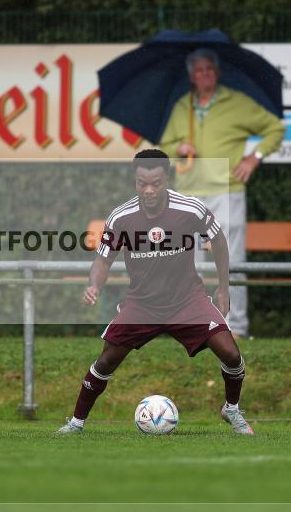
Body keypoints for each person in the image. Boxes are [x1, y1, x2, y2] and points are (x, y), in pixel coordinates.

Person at [56, 149, 253, 435]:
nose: (148, 190)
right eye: (141, 183)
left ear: (167, 179)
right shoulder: (121, 217)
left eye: (155, 183)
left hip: (187, 300)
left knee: (231, 354)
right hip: (142, 304)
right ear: (135, 182)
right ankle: (76, 423)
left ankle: (232, 410)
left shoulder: (190, 209)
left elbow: (219, 241)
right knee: (106, 360)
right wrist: (94, 284)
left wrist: (223, 288)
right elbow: (103, 259)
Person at [159, 49, 285, 339]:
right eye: (199, 70)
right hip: (189, 194)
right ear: (191, 76)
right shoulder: (182, 107)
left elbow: (275, 129)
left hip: (227, 192)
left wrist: (255, 157)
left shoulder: (237, 102)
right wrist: (177, 148)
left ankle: (236, 327)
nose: (205, 74)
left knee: (231, 262)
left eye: (209, 69)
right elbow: (160, 146)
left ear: (216, 73)